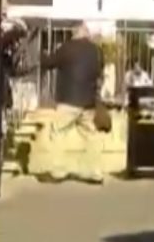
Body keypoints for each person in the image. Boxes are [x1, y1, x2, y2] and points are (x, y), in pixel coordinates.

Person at [32, 23, 105, 184]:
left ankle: (58, 171)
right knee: (91, 136)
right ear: (86, 34)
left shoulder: (67, 48)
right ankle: (96, 172)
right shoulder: (96, 51)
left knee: (57, 132)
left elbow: (49, 63)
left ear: (74, 34)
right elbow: (100, 71)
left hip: (69, 101)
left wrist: (42, 55)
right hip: (88, 102)